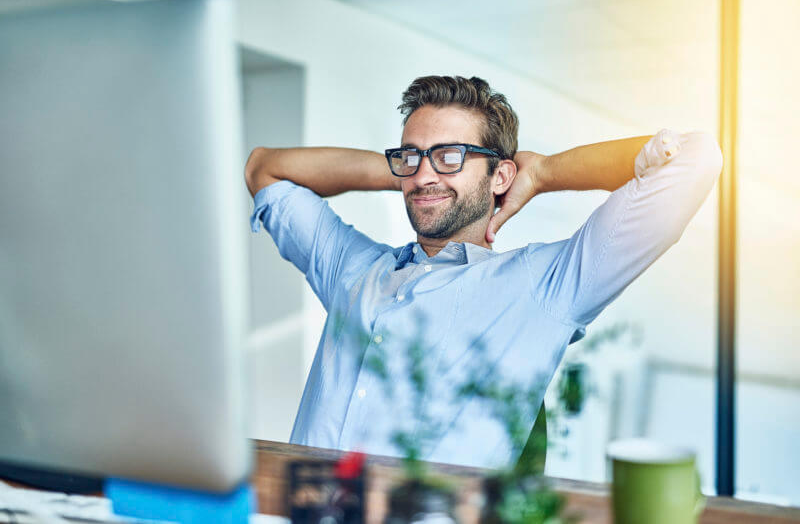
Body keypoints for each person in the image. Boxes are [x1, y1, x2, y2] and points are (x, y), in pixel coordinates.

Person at [245, 75, 722, 469]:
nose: (426, 174)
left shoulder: (544, 286)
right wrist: (412, 173)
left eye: (450, 155)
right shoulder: (355, 269)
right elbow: (265, 170)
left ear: (500, 176)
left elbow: (696, 158)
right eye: (412, 155)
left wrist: (544, 172)